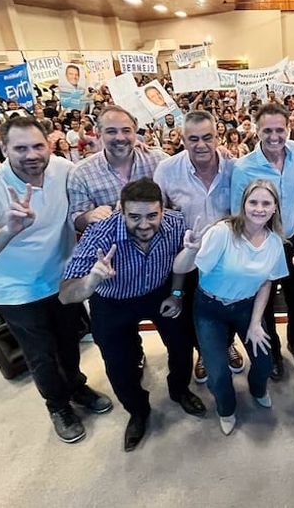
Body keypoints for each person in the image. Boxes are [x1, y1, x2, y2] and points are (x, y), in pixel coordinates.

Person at [0, 116, 112, 444]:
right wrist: (8, 230)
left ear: (49, 144)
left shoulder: (63, 170)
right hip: (17, 291)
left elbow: (96, 178)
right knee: (42, 354)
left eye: (38, 146)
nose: (31, 154)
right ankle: (58, 407)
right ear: (3, 149)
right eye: (21, 148)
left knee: (69, 343)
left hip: (62, 280)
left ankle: (75, 387)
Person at [60, 178, 206, 452]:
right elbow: (66, 294)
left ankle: (180, 390)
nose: (144, 224)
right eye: (134, 216)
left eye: (152, 215)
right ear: (121, 211)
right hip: (112, 300)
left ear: (163, 210)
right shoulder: (100, 233)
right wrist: (92, 280)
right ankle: (138, 411)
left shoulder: (176, 223)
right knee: (119, 365)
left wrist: (176, 294)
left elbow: (179, 263)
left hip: (158, 290)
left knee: (182, 343)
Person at [188, 180, 288, 435]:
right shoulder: (222, 232)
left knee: (265, 361)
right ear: (243, 205)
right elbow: (194, 267)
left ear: (275, 207)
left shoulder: (275, 242)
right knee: (218, 373)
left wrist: (256, 323)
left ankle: (258, 389)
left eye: (266, 203)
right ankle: (226, 408)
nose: (259, 208)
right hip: (210, 307)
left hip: (246, 306)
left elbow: (267, 283)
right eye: (253, 202)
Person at [154, 110, 242, 383]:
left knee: (229, 307)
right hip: (188, 260)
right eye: (193, 139)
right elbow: (159, 215)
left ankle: (227, 344)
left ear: (218, 137)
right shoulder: (167, 171)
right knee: (193, 311)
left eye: (207, 137)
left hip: (227, 259)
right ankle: (203, 352)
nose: (201, 145)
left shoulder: (235, 168)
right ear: (182, 139)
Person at [230, 103, 294, 379]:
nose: (274, 137)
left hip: (293, 239)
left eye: (280, 130)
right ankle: (273, 352)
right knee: (263, 305)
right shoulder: (243, 168)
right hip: (262, 243)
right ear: (256, 130)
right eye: (267, 131)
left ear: (289, 129)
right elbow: (235, 213)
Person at [68, 106, 168, 233]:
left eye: (126, 131)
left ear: (135, 131)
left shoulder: (159, 161)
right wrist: (89, 216)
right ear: (98, 132)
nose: (120, 137)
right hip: (112, 249)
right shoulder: (81, 173)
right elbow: (77, 219)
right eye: (111, 131)